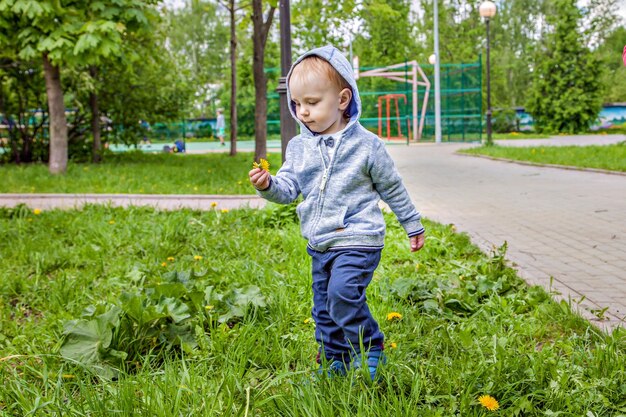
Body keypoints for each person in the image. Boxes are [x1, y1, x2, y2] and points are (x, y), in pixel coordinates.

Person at [248, 45, 425, 381]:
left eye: (312, 103)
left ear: (343, 100)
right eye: (297, 104)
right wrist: (267, 184)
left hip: (358, 237)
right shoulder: (299, 147)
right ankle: (335, 360)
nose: (302, 112)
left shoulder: (367, 145)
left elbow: (392, 186)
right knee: (324, 309)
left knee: (343, 293)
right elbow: (287, 190)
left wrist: (411, 223)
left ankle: (371, 347)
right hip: (320, 243)